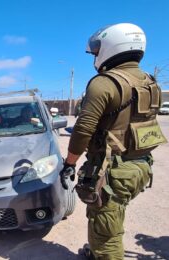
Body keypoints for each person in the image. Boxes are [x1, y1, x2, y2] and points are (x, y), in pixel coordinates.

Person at [59, 23, 166, 259]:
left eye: (97, 50)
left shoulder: (104, 83)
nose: (95, 55)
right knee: (112, 217)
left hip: (113, 172)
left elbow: (83, 129)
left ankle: (103, 253)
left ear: (113, 45)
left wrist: (69, 163)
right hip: (140, 167)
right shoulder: (150, 83)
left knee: (106, 232)